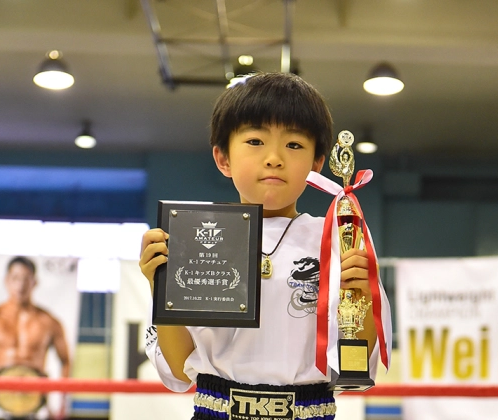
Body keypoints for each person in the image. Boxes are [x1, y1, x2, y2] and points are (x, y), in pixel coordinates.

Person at [139, 72, 383, 420]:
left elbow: (353, 368)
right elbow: (179, 372)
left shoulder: (340, 235)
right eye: (255, 141)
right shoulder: (192, 236)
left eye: (294, 145)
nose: (274, 158)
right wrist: (159, 285)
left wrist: (361, 297)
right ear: (223, 158)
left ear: (317, 164)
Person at [0, 256, 71, 419]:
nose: (20, 285)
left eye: (26, 279)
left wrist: (62, 403)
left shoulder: (49, 322)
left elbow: (65, 360)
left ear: (34, 282)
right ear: (7, 281)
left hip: (36, 403)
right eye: (15, 278)